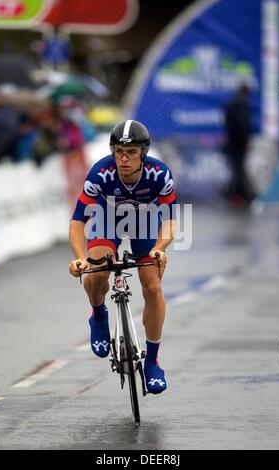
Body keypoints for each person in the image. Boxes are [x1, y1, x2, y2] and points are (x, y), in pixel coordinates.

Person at [69, 120, 176, 394]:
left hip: (145, 221)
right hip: (108, 218)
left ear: (144, 153)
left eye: (130, 152)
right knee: (96, 272)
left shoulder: (159, 174)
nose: (123, 158)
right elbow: (78, 221)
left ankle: (152, 362)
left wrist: (159, 249)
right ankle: (98, 314)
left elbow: (171, 222)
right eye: (118, 152)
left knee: (152, 287)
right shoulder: (100, 174)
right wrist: (81, 258)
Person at [223, 84, 253, 204]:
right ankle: (239, 194)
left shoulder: (231, 103)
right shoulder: (243, 104)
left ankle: (234, 193)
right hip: (239, 143)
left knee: (236, 169)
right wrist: (244, 141)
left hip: (232, 141)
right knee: (239, 170)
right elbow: (242, 124)